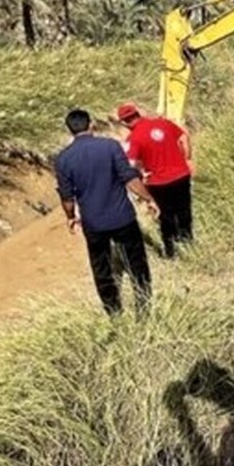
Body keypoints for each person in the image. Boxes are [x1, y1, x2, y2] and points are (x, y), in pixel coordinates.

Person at [55, 108, 160, 315]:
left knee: (101, 267)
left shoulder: (63, 160)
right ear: (91, 124)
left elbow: (67, 197)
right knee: (136, 263)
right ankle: (144, 307)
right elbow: (129, 179)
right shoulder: (110, 147)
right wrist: (149, 199)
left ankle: (113, 311)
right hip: (123, 218)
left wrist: (70, 217)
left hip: (94, 223)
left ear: (70, 130)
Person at [117, 102, 193, 259]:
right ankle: (189, 244)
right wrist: (187, 158)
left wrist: (140, 176)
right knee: (184, 211)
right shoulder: (163, 123)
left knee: (166, 217)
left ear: (124, 122)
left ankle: (172, 252)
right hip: (181, 175)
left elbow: (130, 164)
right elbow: (184, 136)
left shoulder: (133, 138)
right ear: (137, 114)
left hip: (158, 182)